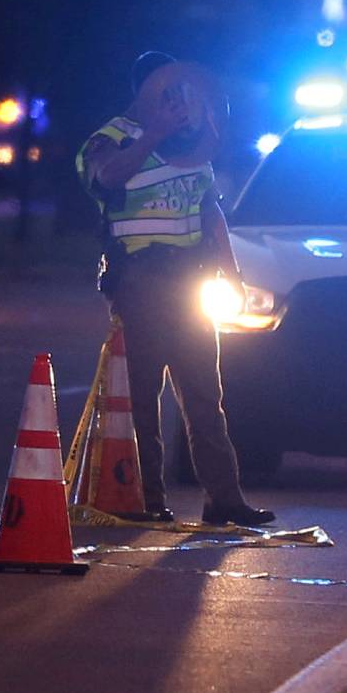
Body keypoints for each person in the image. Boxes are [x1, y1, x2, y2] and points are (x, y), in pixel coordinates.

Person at [78, 51, 275, 529]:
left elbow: (210, 209)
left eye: (182, 91)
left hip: (190, 281)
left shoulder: (195, 144)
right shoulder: (112, 137)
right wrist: (154, 134)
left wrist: (231, 271)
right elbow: (106, 177)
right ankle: (145, 498)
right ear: (145, 93)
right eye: (167, 92)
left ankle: (224, 500)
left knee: (205, 392)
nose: (178, 100)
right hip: (140, 280)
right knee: (141, 394)